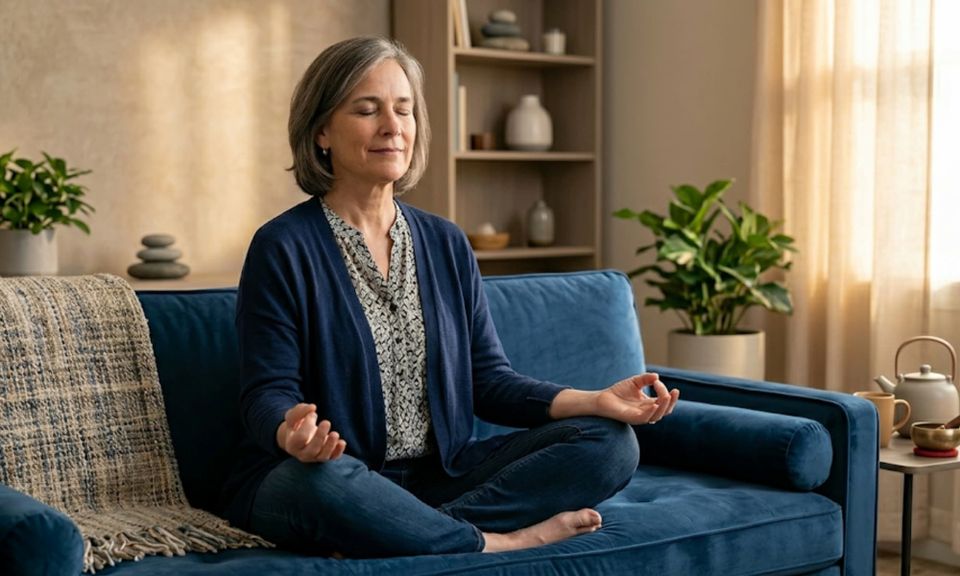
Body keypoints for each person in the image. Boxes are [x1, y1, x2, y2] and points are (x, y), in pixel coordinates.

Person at [221, 36, 680, 558]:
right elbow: (265, 392)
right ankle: (496, 541)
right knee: (318, 484)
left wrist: (594, 401)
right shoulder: (282, 247)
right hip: (330, 475)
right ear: (321, 131)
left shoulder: (445, 242)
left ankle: (398, 531)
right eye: (367, 110)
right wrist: (291, 434)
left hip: (441, 476)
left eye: (404, 109)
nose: (392, 126)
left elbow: (489, 381)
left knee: (610, 444)